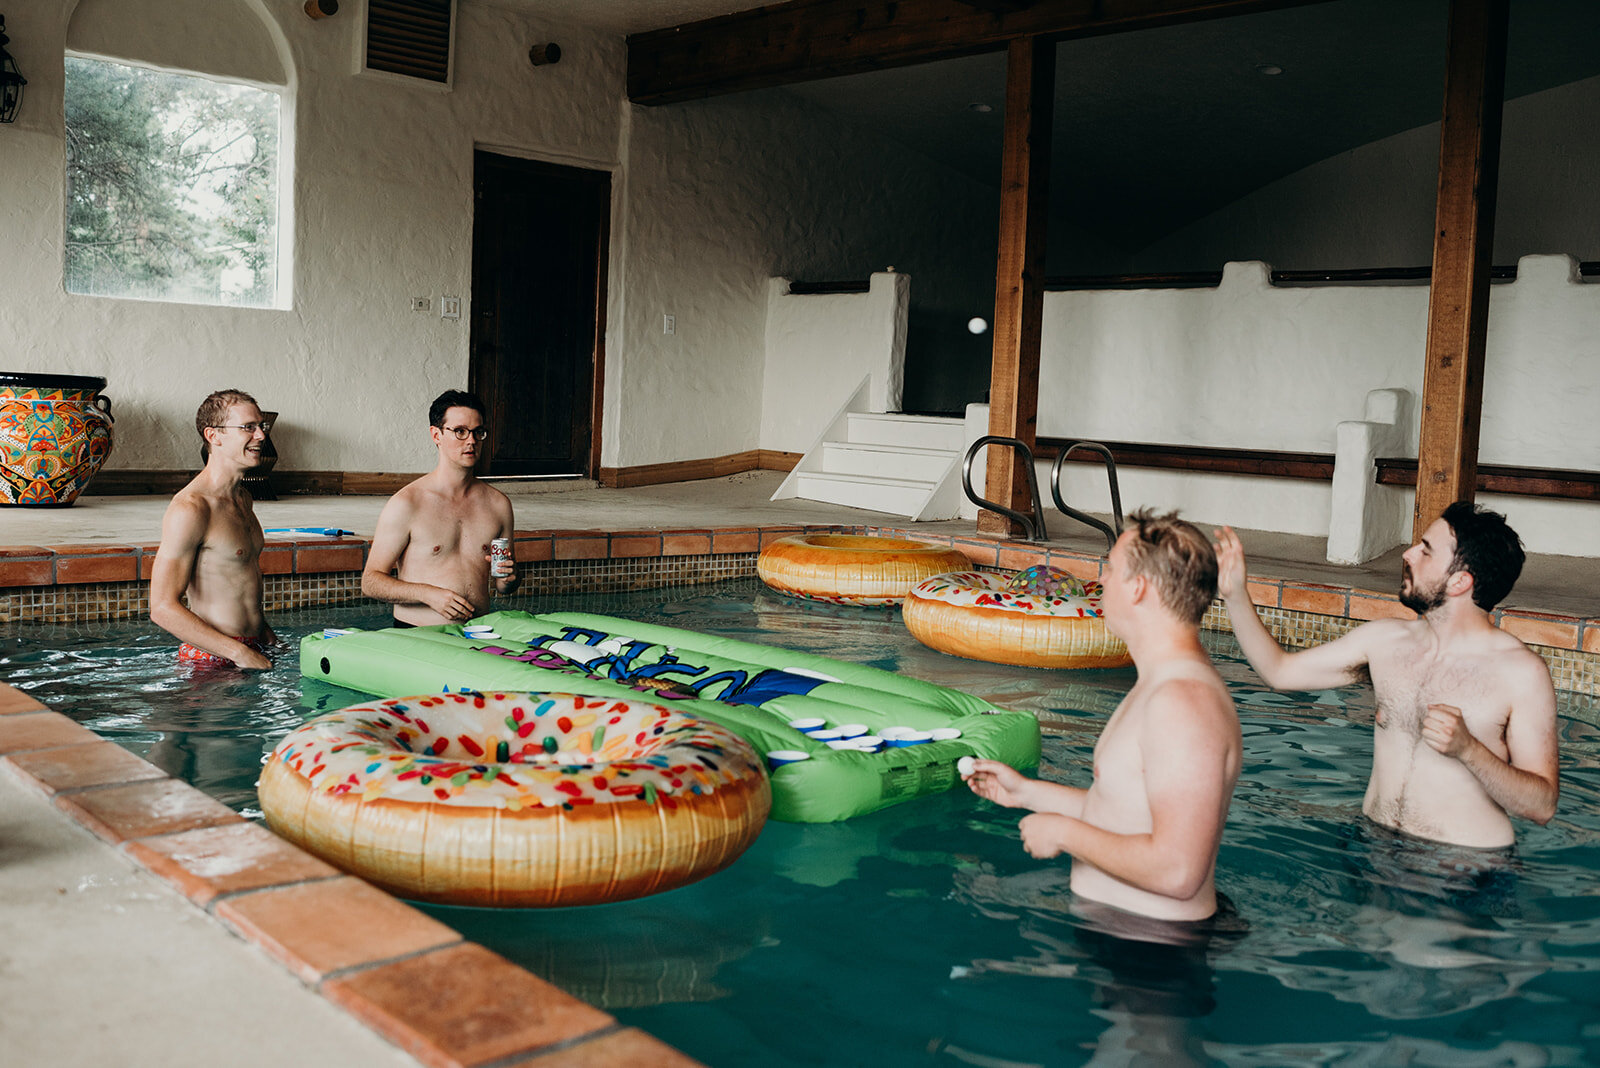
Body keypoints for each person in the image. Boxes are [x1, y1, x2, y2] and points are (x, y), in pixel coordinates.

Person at [1214, 501, 1558, 849]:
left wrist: (1470, 750)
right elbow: (1280, 672)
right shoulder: (1384, 641)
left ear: (1459, 581)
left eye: (1425, 551)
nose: (1408, 554)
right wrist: (1235, 595)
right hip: (1373, 848)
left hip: (1465, 870)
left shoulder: (1520, 672)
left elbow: (1542, 806)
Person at [965, 509, 1242, 923]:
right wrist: (1025, 793)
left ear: (1138, 588)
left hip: (1153, 959)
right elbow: (1121, 809)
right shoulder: (1161, 685)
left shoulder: (1183, 702)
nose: (1102, 580)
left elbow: (1179, 871)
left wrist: (1063, 832)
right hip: (1128, 937)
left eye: (1111, 568)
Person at [361, 390, 518, 626]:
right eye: (460, 431)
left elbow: (503, 585)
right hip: (418, 635)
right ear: (436, 435)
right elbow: (371, 581)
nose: (471, 441)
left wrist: (510, 578)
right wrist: (428, 594)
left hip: (476, 634)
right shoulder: (407, 503)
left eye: (478, 432)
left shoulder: (498, 504)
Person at [149, 389, 276, 670]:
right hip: (212, 662)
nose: (261, 436)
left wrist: (267, 638)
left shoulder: (242, 499)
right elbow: (161, 607)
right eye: (248, 427)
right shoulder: (191, 508)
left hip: (252, 648)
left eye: (261, 426)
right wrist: (239, 654)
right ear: (213, 435)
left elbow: (237, 580)